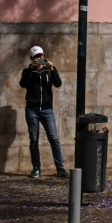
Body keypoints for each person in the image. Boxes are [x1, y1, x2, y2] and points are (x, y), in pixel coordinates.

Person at [20, 45, 69, 178]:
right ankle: (36, 168)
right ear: (31, 59)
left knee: (54, 139)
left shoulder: (49, 71)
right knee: (34, 139)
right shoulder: (27, 72)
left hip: (47, 110)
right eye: (36, 57)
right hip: (32, 110)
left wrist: (52, 68)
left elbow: (58, 83)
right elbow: (23, 84)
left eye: (41, 56)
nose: (39, 59)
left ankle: (60, 168)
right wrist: (31, 70)